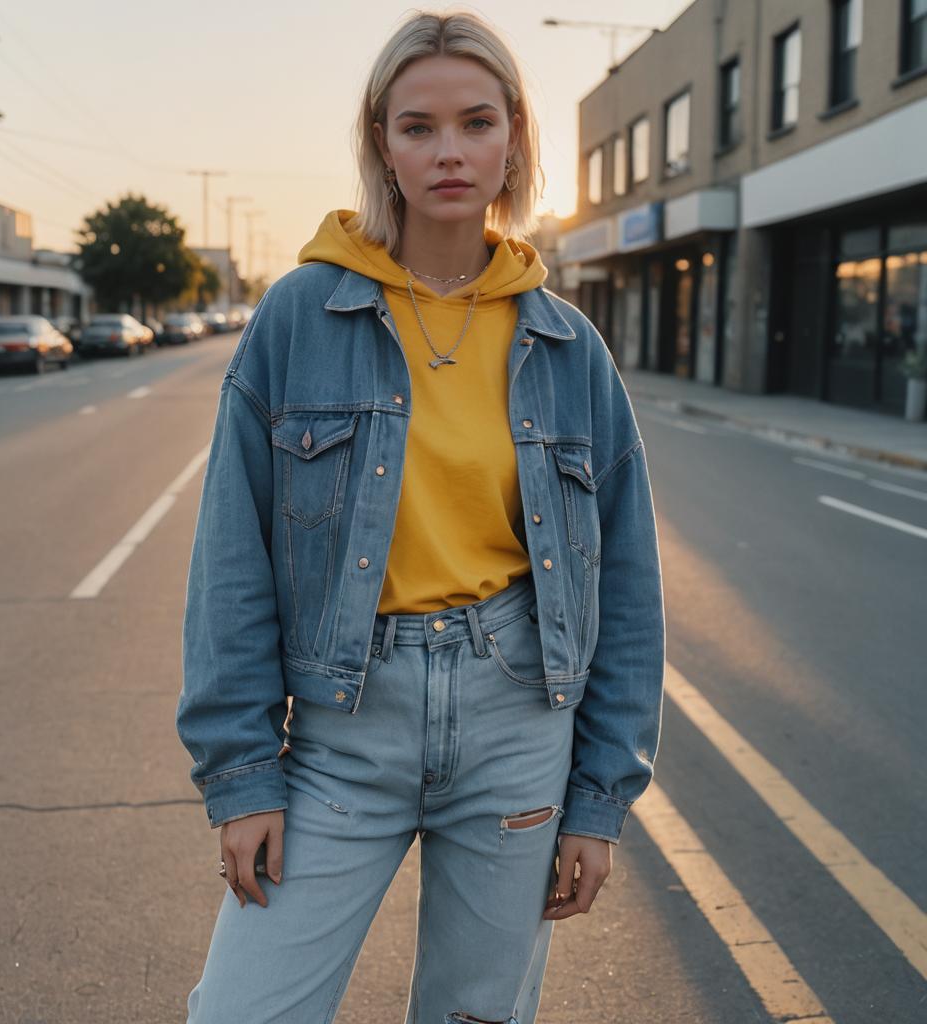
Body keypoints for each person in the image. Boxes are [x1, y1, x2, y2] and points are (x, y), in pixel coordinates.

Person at [176, 10, 664, 1023]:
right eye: (418, 127)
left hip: (516, 722)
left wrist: (599, 800)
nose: (449, 150)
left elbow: (626, 590)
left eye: (476, 122)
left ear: (515, 138)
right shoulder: (299, 316)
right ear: (381, 145)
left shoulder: (570, 348)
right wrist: (242, 772)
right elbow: (233, 556)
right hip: (345, 729)